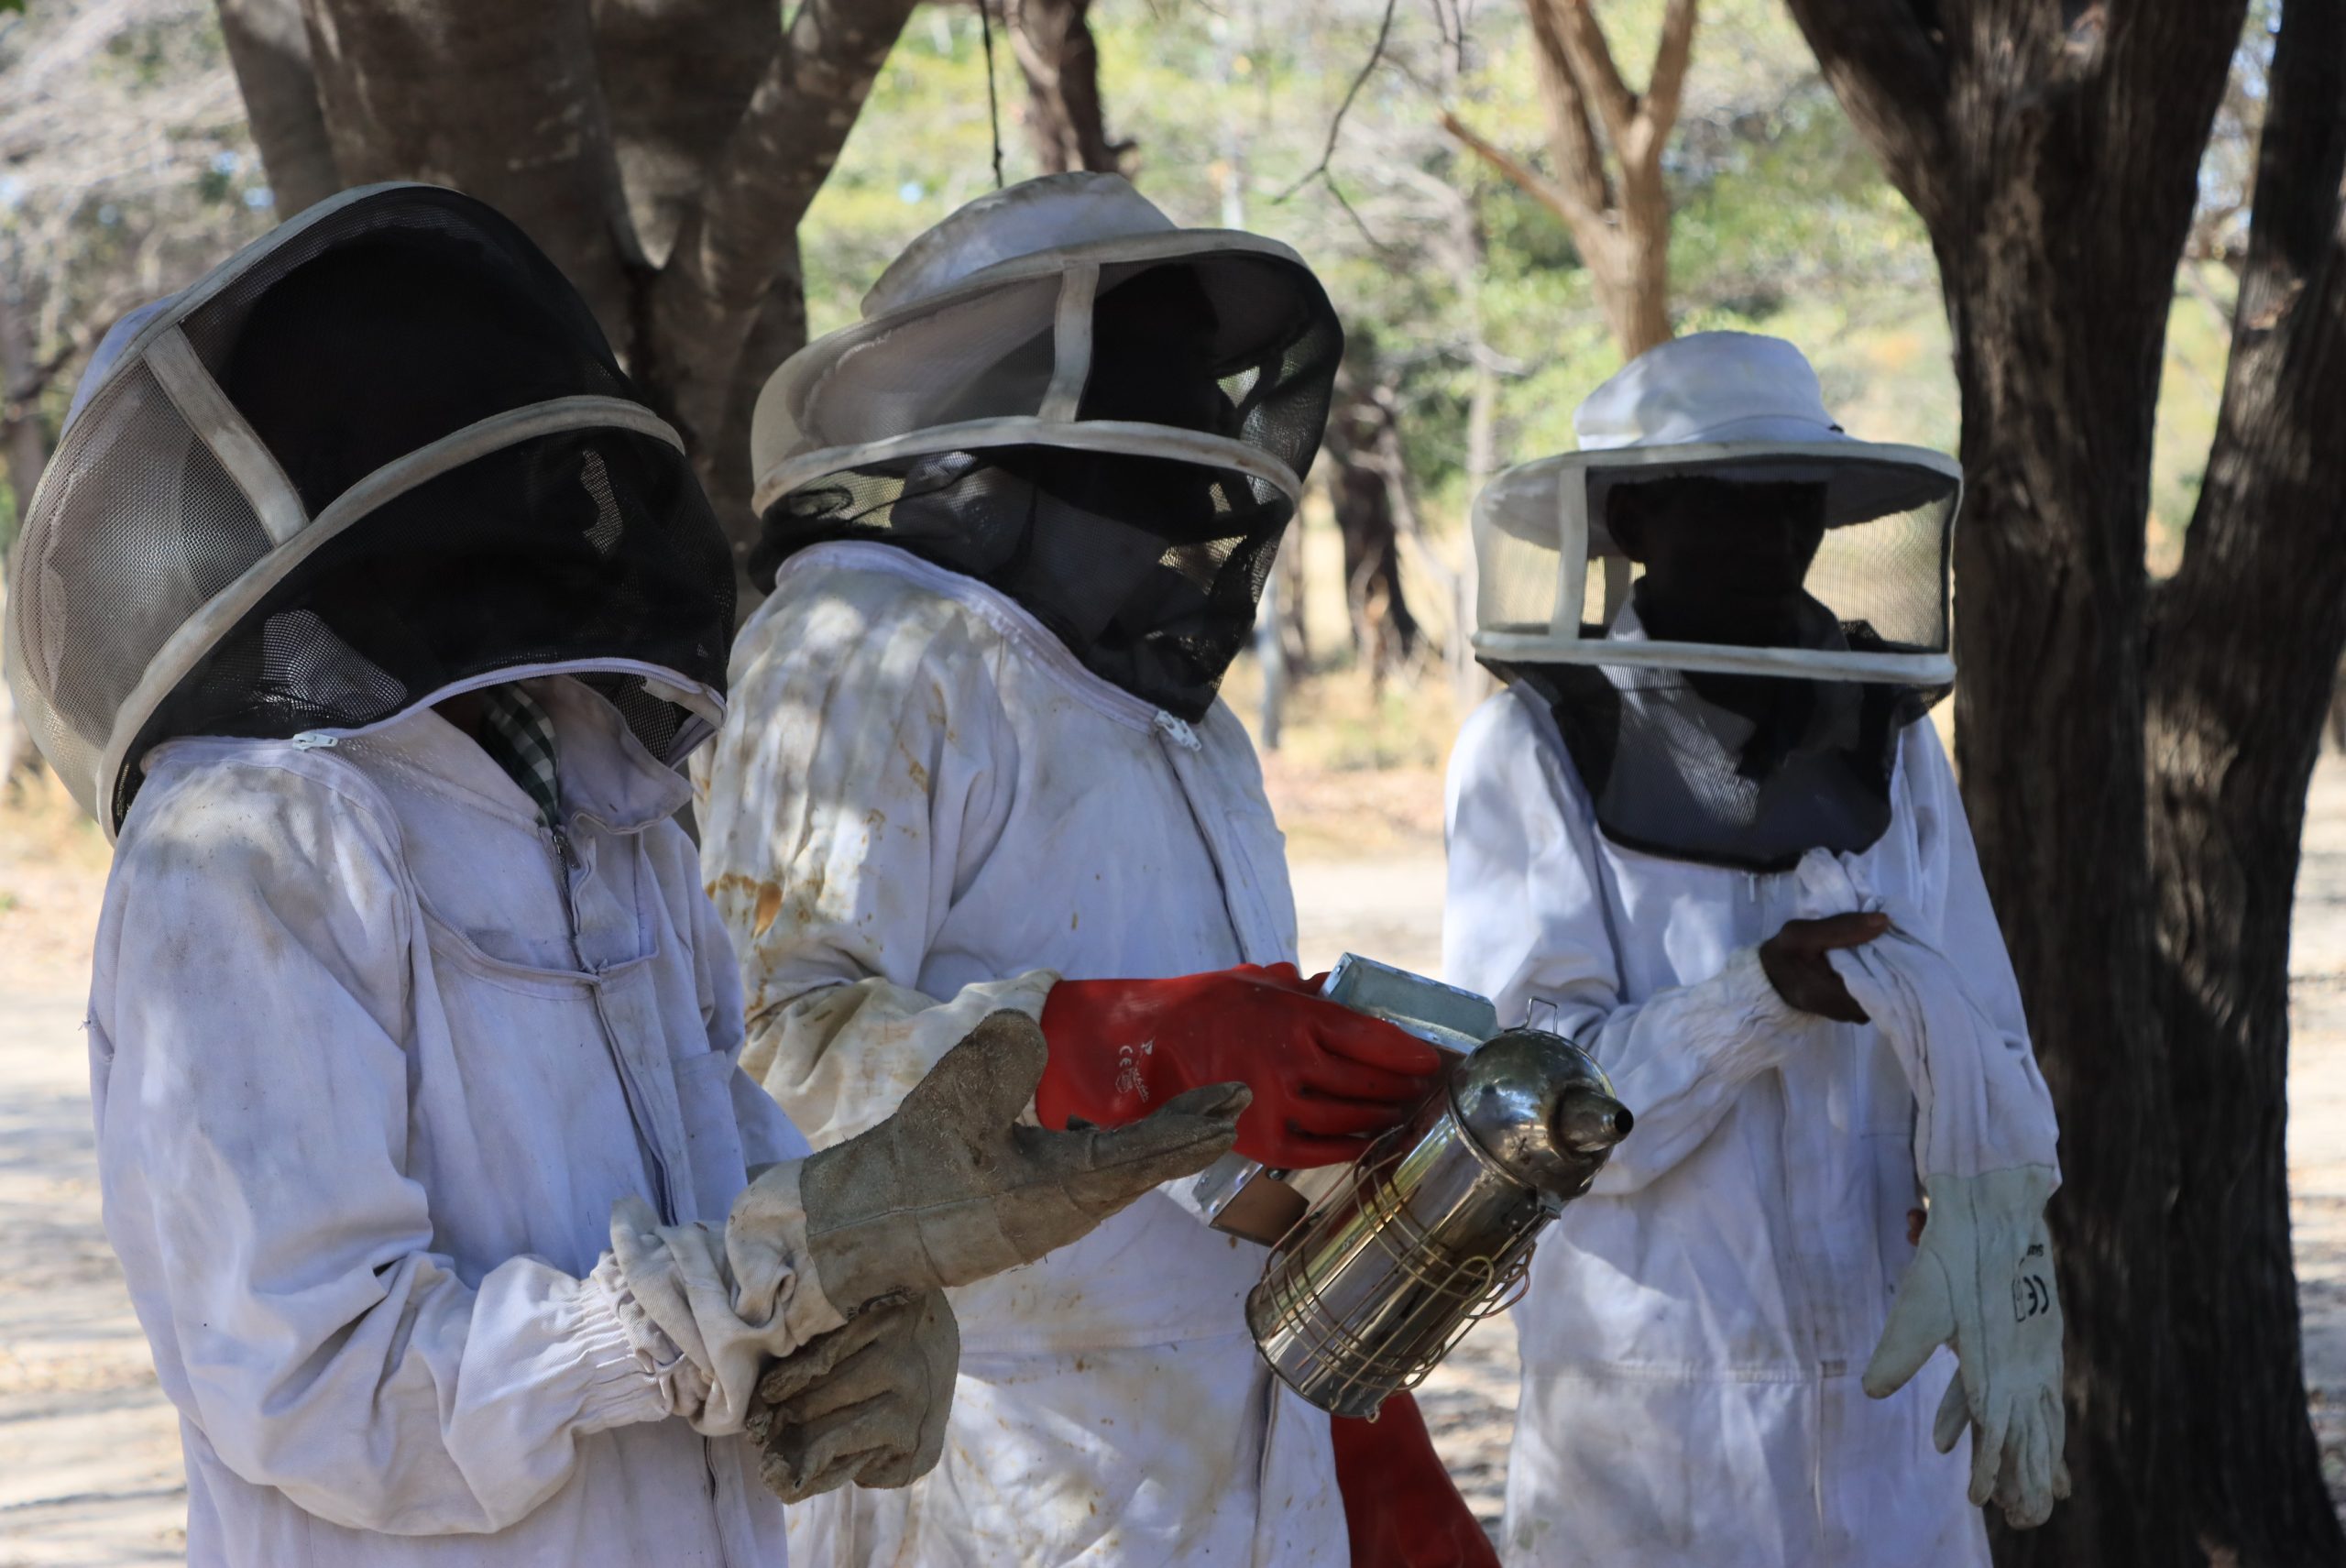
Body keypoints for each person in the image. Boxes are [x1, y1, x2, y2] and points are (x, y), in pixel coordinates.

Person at [3, 182, 1243, 1568]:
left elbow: (732, 1162)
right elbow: (315, 1383)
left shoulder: (614, 793)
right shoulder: (246, 846)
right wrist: (758, 1286)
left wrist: (866, 1311)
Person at [698, 171, 1496, 1566]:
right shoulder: (861, 643)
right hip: (993, 1450)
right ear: (1029, 389)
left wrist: (1350, 1192)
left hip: (1243, 1428)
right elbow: (760, 1043)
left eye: (1202, 379)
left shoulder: (1192, 722)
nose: (1203, 428)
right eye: (1156, 371)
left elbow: (1215, 1132)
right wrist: (1114, 1048)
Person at [1443, 332, 2066, 1567]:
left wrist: (2006, 1214)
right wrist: (1759, 998)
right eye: (1732, 507)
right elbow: (1528, 1103)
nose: (1777, 541)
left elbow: (1989, 1033)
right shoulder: (1529, 751)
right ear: (1629, 519)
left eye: (1797, 507)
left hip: (1888, 1397)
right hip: (1660, 1414)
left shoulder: (1889, 744)